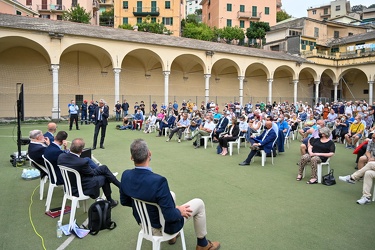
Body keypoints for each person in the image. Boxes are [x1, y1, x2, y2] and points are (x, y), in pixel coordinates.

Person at [120, 139, 220, 250]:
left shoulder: (125, 175)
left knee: (170, 194)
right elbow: (170, 216)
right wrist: (178, 210)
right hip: (160, 227)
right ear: (149, 154)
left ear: (131, 157)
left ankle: (173, 237)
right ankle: (203, 244)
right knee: (199, 203)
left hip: (144, 224)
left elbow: (125, 201)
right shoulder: (158, 181)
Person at [58, 138, 120, 207]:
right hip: (81, 188)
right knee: (104, 175)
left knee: (101, 169)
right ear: (82, 150)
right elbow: (92, 173)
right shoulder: (81, 162)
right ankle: (111, 199)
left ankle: (116, 184)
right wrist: (101, 169)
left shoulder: (61, 156)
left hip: (69, 186)